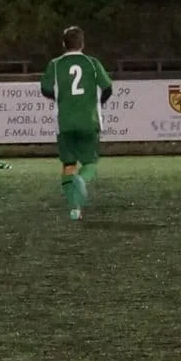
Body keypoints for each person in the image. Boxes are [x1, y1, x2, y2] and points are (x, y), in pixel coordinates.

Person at [40, 27, 112, 220]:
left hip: (64, 122)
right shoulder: (92, 62)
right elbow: (107, 88)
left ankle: (74, 209)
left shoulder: (55, 64)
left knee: (68, 164)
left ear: (64, 44)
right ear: (82, 44)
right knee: (90, 162)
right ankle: (82, 179)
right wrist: (96, 103)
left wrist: (62, 98)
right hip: (89, 120)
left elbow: (46, 89)